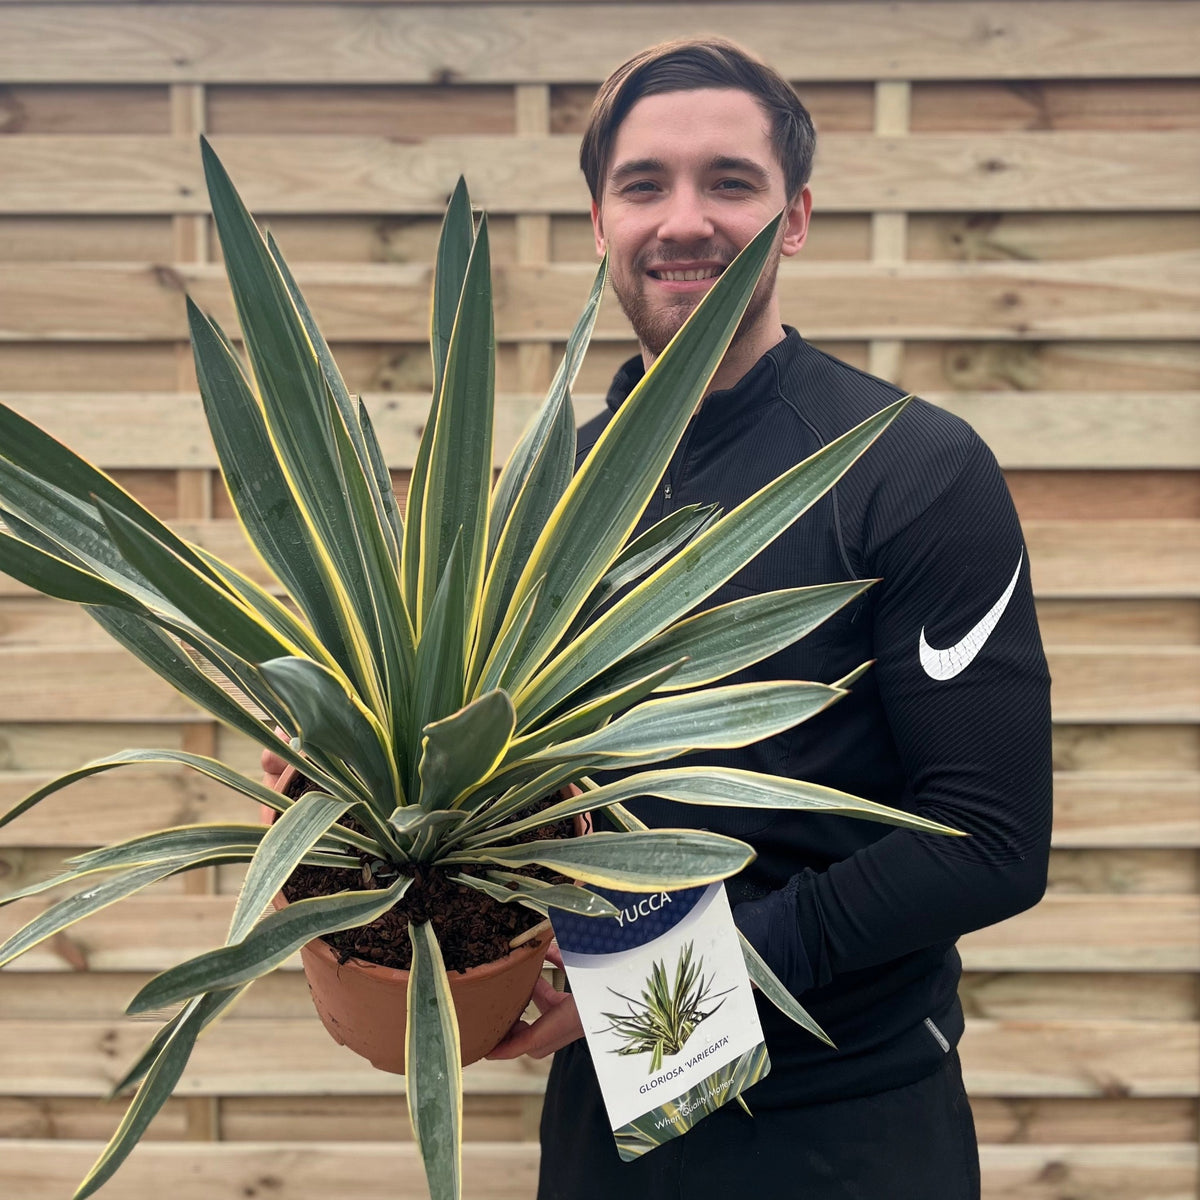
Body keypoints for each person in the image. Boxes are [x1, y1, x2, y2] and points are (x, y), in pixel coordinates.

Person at [265, 37, 1052, 1199]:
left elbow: (990, 844)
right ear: (599, 222)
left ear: (794, 219)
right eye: (645, 185)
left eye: (730, 181)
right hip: (609, 1119)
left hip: (845, 1120)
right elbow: (512, 794)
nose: (685, 220)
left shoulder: (913, 469)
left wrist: (650, 990)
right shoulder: (552, 502)